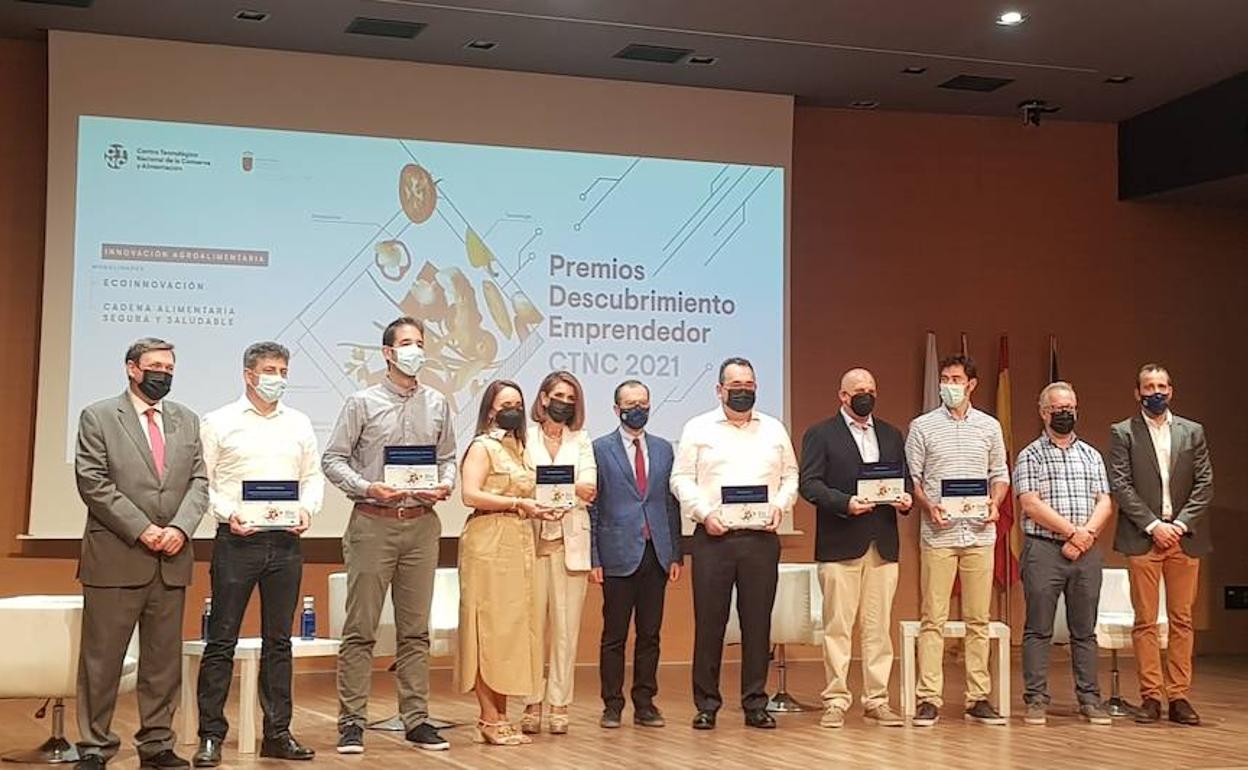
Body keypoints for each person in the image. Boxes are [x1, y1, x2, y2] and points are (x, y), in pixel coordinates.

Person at [73, 337, 208, 770]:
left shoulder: (186, 419)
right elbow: (93, 482)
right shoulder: (98, 416)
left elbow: (199, 482)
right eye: (155, 366)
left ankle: (157, 744)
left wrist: (180, 529)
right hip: (116, 556)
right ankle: (95, 746)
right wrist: (143, 529)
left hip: (171, 558)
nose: (163, 374)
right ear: (132, 368)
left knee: (162, 662)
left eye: (169, 368)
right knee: (102, 661)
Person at [322, 316, 455, 753]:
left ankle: (416, 718)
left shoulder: (437, 402)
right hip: (373, 522)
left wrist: (445, 483)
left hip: (421, 523)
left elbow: (448, 457)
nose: (415, 350)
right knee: (360, 629)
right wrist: (367, 487)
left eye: (420, 343)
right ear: (388, 353)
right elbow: (333, 459)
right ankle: (351, 723)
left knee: (415, 631)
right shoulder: (362, 403)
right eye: (407, 343)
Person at [192, 342, 323, 766]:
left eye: (283, 371)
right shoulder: (219, 421)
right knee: (222, 639)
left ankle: (278, 733)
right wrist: (228, 513)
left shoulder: (299, 423)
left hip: (285, 543)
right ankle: (210, 735)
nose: (277, 378)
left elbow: (312, 476)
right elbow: (203, 481)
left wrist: (307, 509)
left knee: (279, 642)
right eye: (270, 370)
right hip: (237, 542)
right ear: (249, 375)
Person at [671, 357, 798, 731]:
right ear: (719, 390)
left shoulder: (774, 429)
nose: (743, 391)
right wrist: (703, 512)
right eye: (735, 385)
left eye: (749, 385)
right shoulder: (698, 428)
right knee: (710, 623)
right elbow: (680, 478)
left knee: (757, 624)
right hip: (714, 538)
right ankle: (707, 704)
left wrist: (780, 505)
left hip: (761, 539)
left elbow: (791, 476)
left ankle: (755, 702)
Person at [799, 368, 911, 729]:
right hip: (840, 544)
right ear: (843, 396)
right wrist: (845, 503)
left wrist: (905, 499)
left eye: (872, 390)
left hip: (882, 544)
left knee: (878, 629)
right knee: (838, 628)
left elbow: (904, 480)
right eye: (859, 390)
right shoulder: (820, 434)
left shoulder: (891, 434)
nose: (867, 396)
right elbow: (809, 484)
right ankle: (835, 699)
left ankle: (877, 700)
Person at [904, 354, 1009, 727]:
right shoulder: (922, 427)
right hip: (939, 534)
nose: (949, 385)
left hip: (980, 534)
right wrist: (928, 505)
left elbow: (1000, 474)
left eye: (956, 379)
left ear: (971, 384)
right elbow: (913, 479)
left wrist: (995, 503)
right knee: (933, 618)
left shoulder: (990, 427)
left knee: (978, 619)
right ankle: (928, 698)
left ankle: (978, 697)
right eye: (945, 379)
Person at [1109, 364, 1213, 725]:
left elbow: (1205, 484)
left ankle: (1179, 696)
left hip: (1185, 538)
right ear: (1137, 393)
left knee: (1182, 620)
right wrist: (1154, 526)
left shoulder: (1192, 431)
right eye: (1149, 387)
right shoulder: (1123, 432)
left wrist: (1179, 525)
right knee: (1146, 621)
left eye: (1162, 386)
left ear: (1171, 391)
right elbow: (1121, 484)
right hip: (1144, 537)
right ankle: (1151, 696)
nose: (1156, 392)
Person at [1014, 382, 1114, 726]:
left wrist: (1085, 537)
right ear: (1044, 413)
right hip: (1043, 550)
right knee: (1039, 629)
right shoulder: (1030, 455)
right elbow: (1030, 504)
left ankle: (1090, 699)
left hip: (1087, 552)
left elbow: (1105, 502)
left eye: (1070, 408)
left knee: (1084, 631)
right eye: (1058, 409)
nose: (1065, 413)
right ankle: (1036, 699)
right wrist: (1072, 532)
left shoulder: (1091, 455)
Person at [456, 379, 550, 746]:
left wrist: (543, 507)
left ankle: (502, 714)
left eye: (518, 405)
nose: (513, 410)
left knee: (511, 630)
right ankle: (488, 716)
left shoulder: (519, 448)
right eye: (506, 404)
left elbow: (530, 491)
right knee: (488, 628)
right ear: (491, 409)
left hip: (519, 541)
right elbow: (470, 494)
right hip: (488, 540)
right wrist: (516, 503)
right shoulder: (483, 447)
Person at [589, 379, 683, 730]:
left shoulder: (663, 449)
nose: (638, 409)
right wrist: (594, 558)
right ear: (617, 409)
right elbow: (593, 508)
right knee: (614, 635)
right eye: (631, 404)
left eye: (643, 403)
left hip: (655, 553)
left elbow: (670, 505)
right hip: (616, 554)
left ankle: (645, 703)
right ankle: (612, 704)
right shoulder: (599, 449)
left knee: (650, 634)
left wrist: (675, 554)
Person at [520, 371, 597, 735]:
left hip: (571, 544)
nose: (564, 403)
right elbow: (521, 483)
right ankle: (532, 702)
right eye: (559, 396)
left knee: (567, 631)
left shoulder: (581, 440)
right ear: (543, 398)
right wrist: (566, 487)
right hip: (532, 542)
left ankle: (560, 704)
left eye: (571, 398)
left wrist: (549, 486)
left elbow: (589, 487)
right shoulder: (524, 438)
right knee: (531, 629)